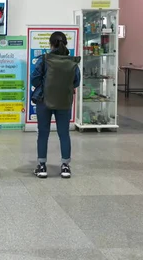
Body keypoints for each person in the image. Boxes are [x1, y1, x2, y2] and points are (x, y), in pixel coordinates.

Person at [30, 32, 81, 179]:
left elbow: (34, 79)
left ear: (51, 44)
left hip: (44, 101)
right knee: (64, 133)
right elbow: (76, 81)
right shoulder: (71, 61)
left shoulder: (46, 60)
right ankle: (65, 167)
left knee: (43, 133)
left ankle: (41, 166)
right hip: (64, 101)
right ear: (65, 43)